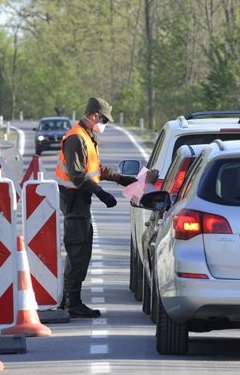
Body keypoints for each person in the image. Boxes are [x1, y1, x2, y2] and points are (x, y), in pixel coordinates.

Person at [55, 97, 137, 318]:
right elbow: (78, 176)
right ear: (94, 116)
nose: (105, 125)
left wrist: (121, 179)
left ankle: (68, 301)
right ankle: (72, 303)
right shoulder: (76, 139)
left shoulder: (86, 137)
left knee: (80, 250)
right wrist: (101, 193)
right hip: (74, 202)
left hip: (80, 202)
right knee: (78, 251)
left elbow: (96, 168)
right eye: (104, 120)